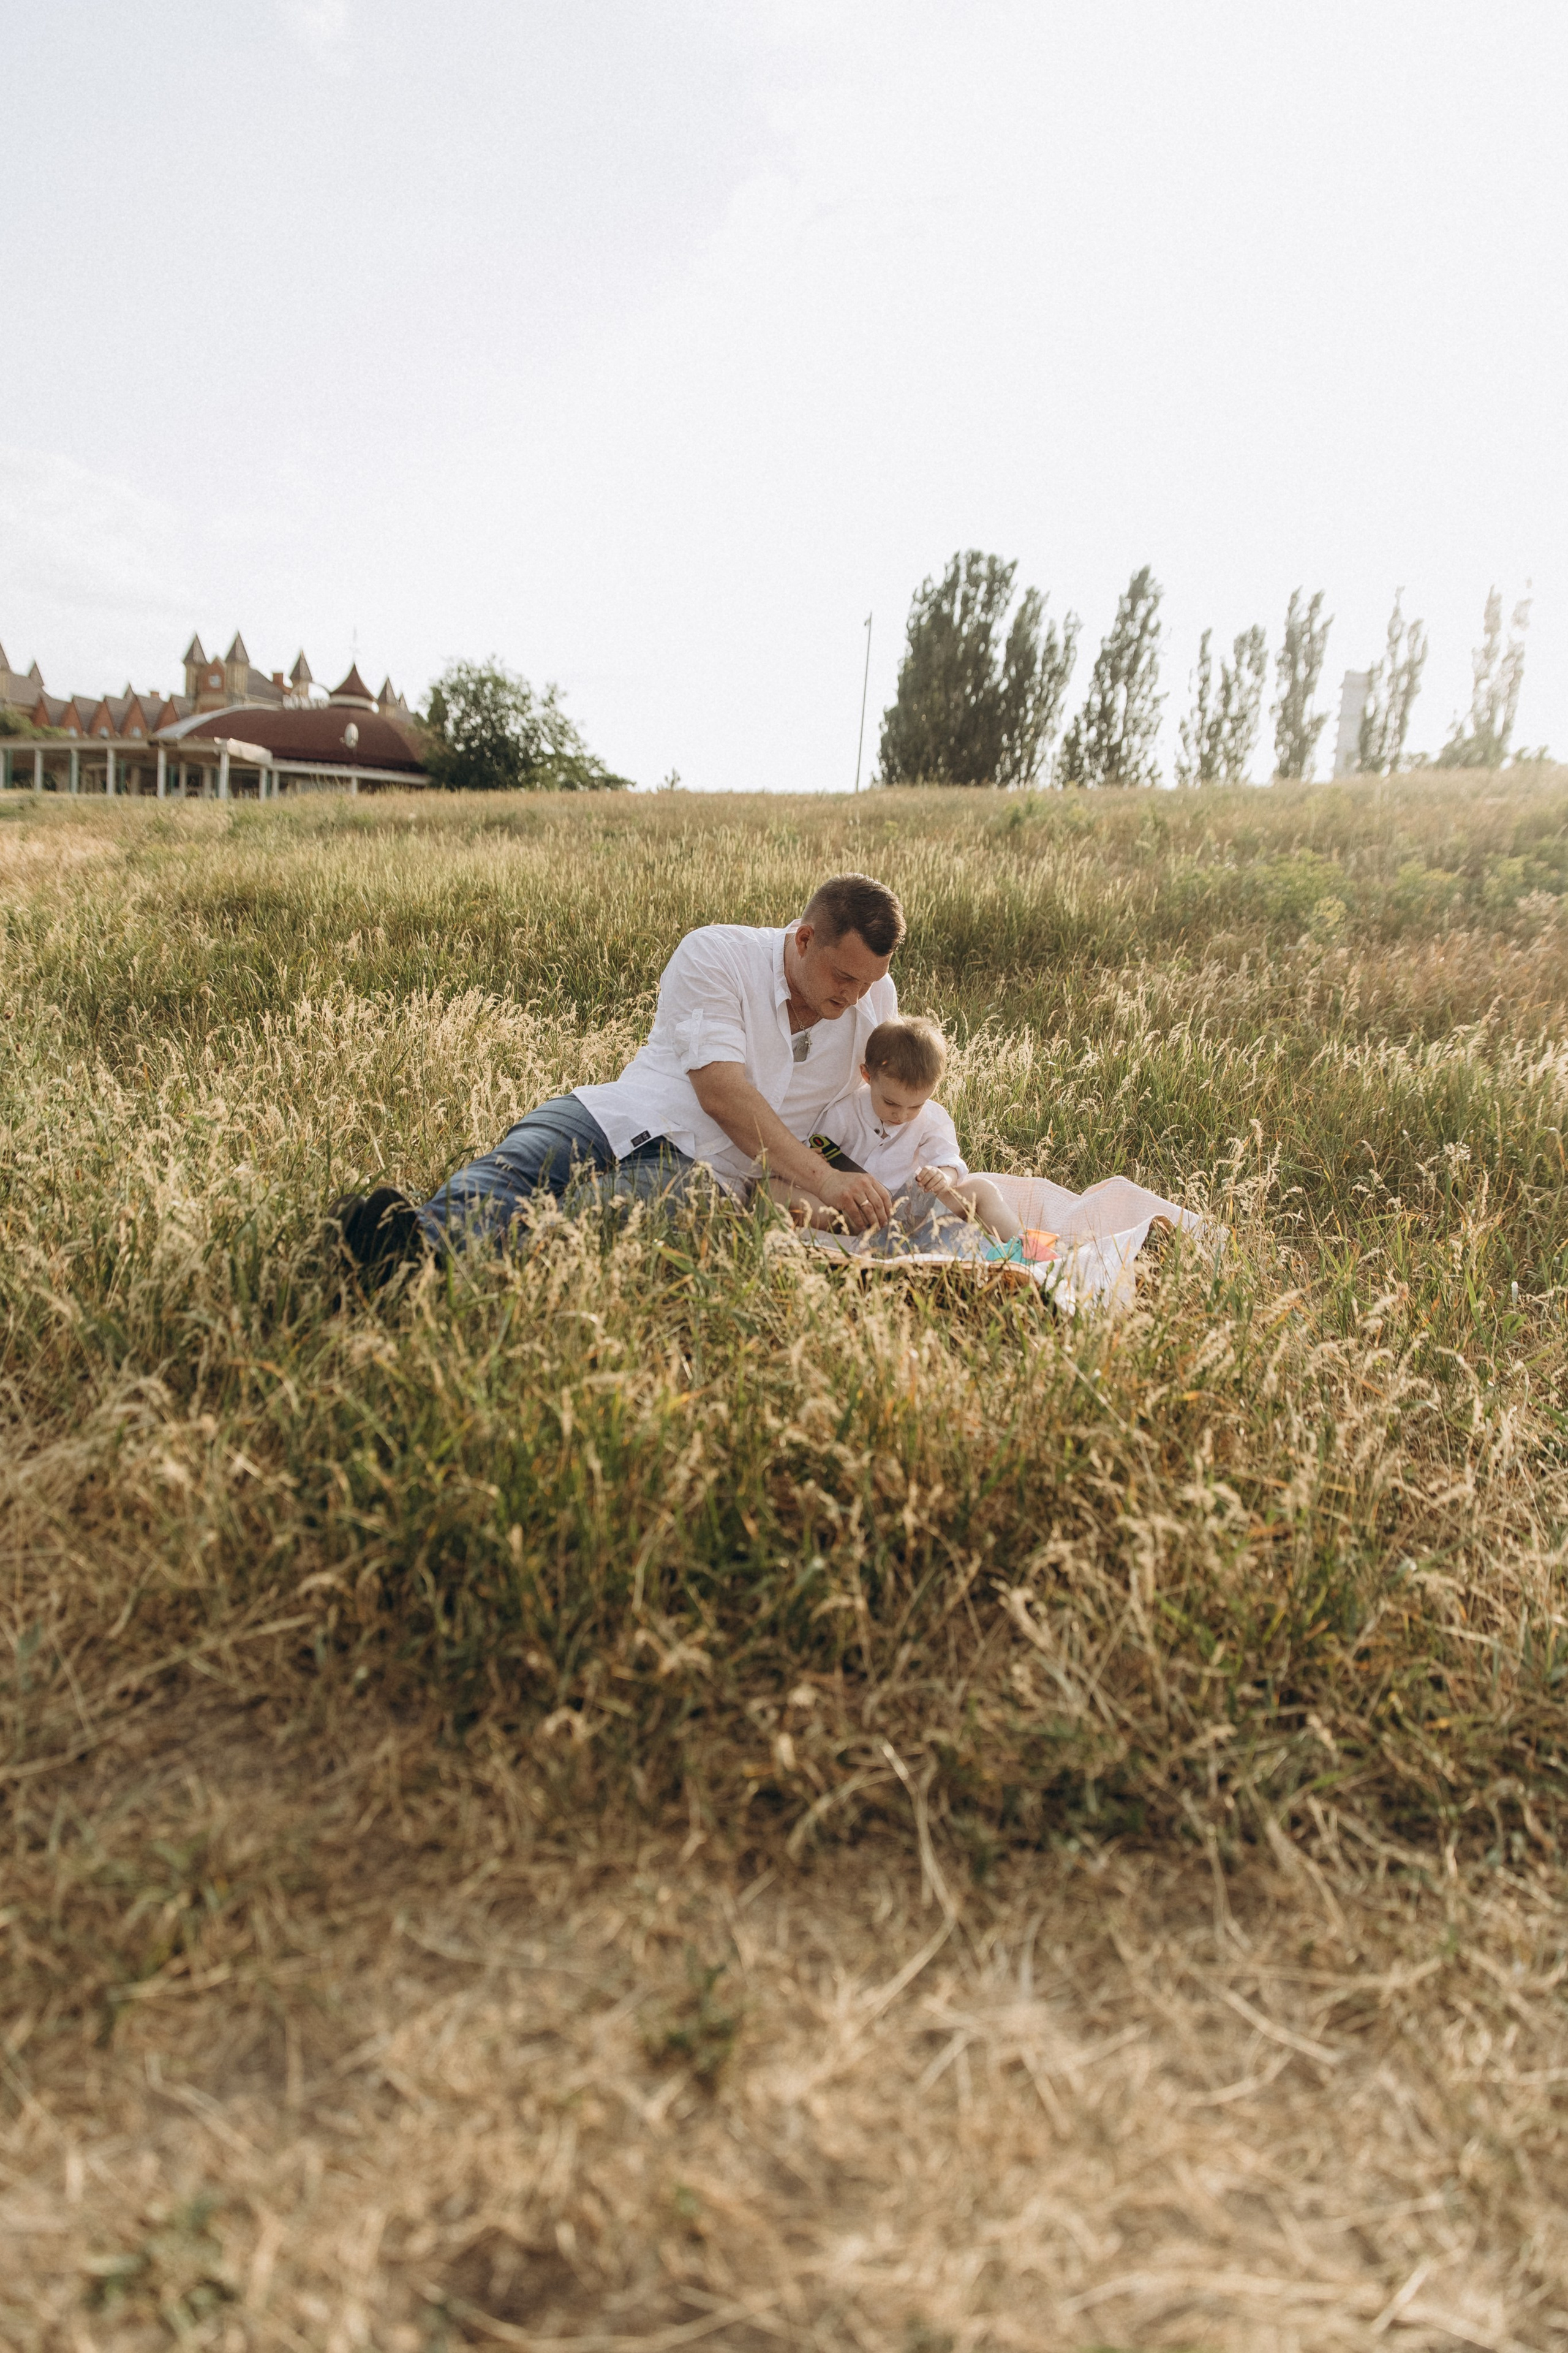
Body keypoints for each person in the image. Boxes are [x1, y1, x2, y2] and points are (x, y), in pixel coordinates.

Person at [330, 872, 908, 1279]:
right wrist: (824, 1181)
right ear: (805, 938)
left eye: (867, 982)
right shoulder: (718, 954)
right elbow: (722, 1092)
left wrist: (914, 1177)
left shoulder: (874, 999)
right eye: (843, 977)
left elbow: (879, 1107)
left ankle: (420, 1265)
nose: (854, 995)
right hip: (623, 1111)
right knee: (516, 1164)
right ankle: (401, 1240)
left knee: (586, 1220)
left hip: (712, 1171)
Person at [763, 1016, 1029, 1243]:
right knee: (772, 1189)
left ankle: (1026, 1249)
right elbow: (817, 1155)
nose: (902, 1116)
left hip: (910, 1217)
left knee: (982, 1189)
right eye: (890, 1102)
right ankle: (848, 1236)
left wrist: (943, 1177)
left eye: (916, 1106)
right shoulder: (843, 1112)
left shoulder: (933, 1118)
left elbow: (949, 1160)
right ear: (867, 1076)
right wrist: (817, 1163)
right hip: (851, 1214)